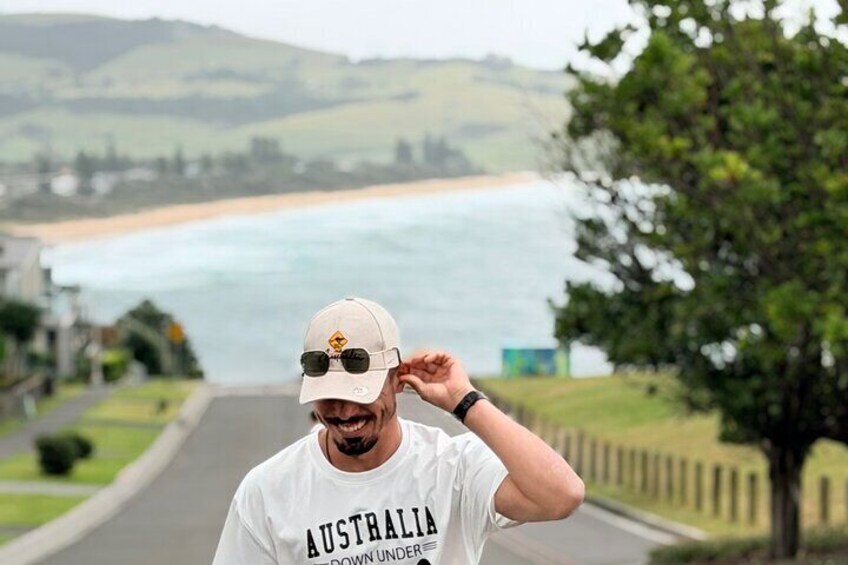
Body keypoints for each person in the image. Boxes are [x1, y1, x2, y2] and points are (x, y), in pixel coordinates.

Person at [213, 297, 584, 564]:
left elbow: (562, 495)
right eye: (329, 396)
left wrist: (464, 401)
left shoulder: (454, 468)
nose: (344, 411)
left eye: (360, 394)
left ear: (397, 379)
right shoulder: (267, 491)